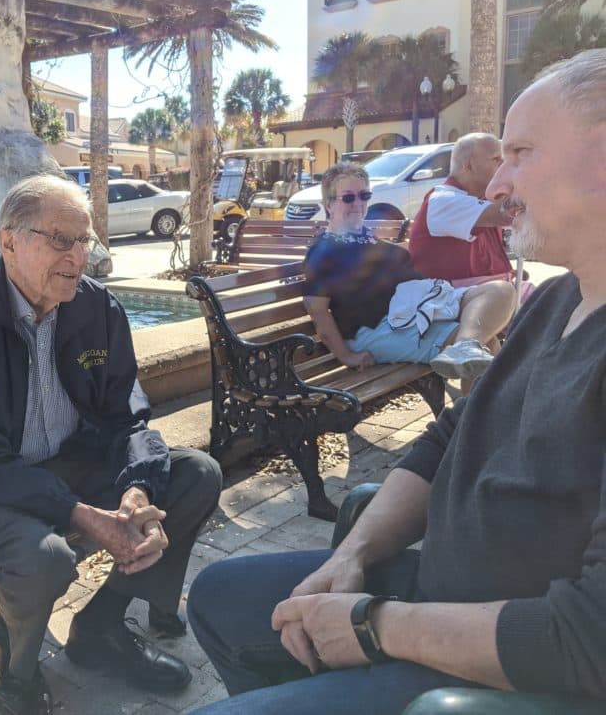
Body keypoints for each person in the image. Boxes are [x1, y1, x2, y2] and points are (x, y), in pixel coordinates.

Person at [185, 49, 606, 714]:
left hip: (498, 668)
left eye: (520, 153)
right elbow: (447, 439)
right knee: (218, 597)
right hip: (429, 591)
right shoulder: (558, 304)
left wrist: (372, 626)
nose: (497, 185)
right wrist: (354, 555)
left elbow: (588, 639)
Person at [0, 174, 222, 715]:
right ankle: (17, 671)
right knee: (45, 558)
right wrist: (77, 513)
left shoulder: (96, 308)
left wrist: (137, 490)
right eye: (61, 239)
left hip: (62, 466)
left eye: (85, 240)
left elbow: (127, 413)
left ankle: (99, 629)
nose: (79, 255)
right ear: (8, 241)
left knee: (195, 474)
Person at [300, 161, 514, 383]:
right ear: (328, 204)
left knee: (500, 291)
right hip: (374, 329)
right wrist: (346, 357)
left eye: (364, 196)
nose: (358, 204)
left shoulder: (368, 240)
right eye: (347, 198)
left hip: (414, 310)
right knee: (486, 345)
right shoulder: (324, 251)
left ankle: (465, 350)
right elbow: (317, 310)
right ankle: (473, 408)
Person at [408, 133, 518, 286]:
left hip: (491, 293)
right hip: (449, 301)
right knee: (501, 290)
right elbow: (507, 214)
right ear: (468, 165)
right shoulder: (442, 200)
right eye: (496, 159)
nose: (503, 166)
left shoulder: (483, 200)